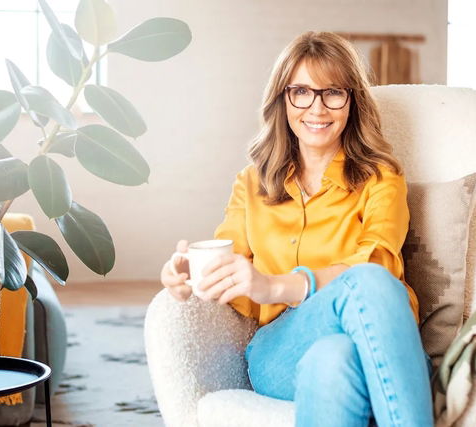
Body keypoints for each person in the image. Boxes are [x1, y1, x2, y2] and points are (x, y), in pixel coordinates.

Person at [160, 31, 433, 427]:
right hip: (281, 350)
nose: (317, 108)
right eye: (301, 92)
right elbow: (231, 269)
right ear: (283, 100)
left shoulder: (382, 178)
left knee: (335, 355)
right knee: (362, 288)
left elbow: (380, 268)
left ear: (352, 100)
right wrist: (188, 276)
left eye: (333, 92)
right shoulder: (251, 183)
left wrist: (276, 286)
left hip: (384, 343)